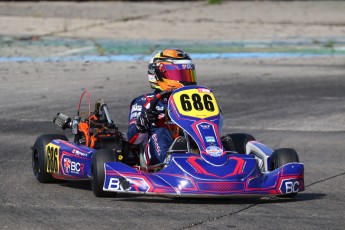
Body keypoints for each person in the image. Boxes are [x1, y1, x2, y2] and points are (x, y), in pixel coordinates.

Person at [127, 48, 197, 168]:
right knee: (161, 131)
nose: (186, 80)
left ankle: (218, 161)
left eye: (188, 74)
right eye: (180, 74)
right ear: (158, 74)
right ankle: (169, 165)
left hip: (191, 146)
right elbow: (133, 139)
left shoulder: (195, 100)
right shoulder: (145, 101)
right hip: (156, 153)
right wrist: (143, 122)